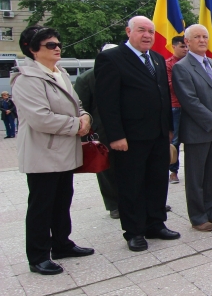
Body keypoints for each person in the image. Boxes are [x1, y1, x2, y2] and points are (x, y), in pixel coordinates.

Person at [13, 27, 94, 275]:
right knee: (41, 206)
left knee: (62, 201)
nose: (57, 47)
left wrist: (85, 117)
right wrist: (76, 126)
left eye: (58, 43)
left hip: (65, 151)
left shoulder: (60, 73)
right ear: (32, 49)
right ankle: (38, 256)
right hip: (42, 154)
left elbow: (77, 104)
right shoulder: (26, 78)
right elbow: (40, 118)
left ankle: (61, 244)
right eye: (49, 45)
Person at [96, 17, 178, 252]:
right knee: (131, 185)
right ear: (128, 31)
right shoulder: (110, 59)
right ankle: (134, 231)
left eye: (151, 31)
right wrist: (115, 136)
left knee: (157, 181)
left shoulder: (157, 59)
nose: (147, 35)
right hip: (129, 137)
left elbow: (164, 95)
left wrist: (169, 127)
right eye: (142, 30)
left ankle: (156, 223)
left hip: (158, 133)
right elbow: (107, 102)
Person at [171, 25, 212, 231]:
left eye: (205, 36)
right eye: (196, 37)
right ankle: (198, 217)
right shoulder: (182, 67)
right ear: (187, 42)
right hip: (199, 130)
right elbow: (190, 101)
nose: (202, 40)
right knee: (196, 176)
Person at [74, 43, 120, 219]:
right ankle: (113, 204)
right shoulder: (87, 78)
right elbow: (81, 108)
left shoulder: (123, 72)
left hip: (125, 129)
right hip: (102, 131)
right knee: (106, 170)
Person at [165, 35, 188, 184]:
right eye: (182, 46)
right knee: (175, 139)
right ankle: (173, 170)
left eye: (186, 46)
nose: (185, 49)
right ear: (173, 46)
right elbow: (170, 85)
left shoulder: (191, 62)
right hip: (176, 105)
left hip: (191, 107)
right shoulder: (168, 64)